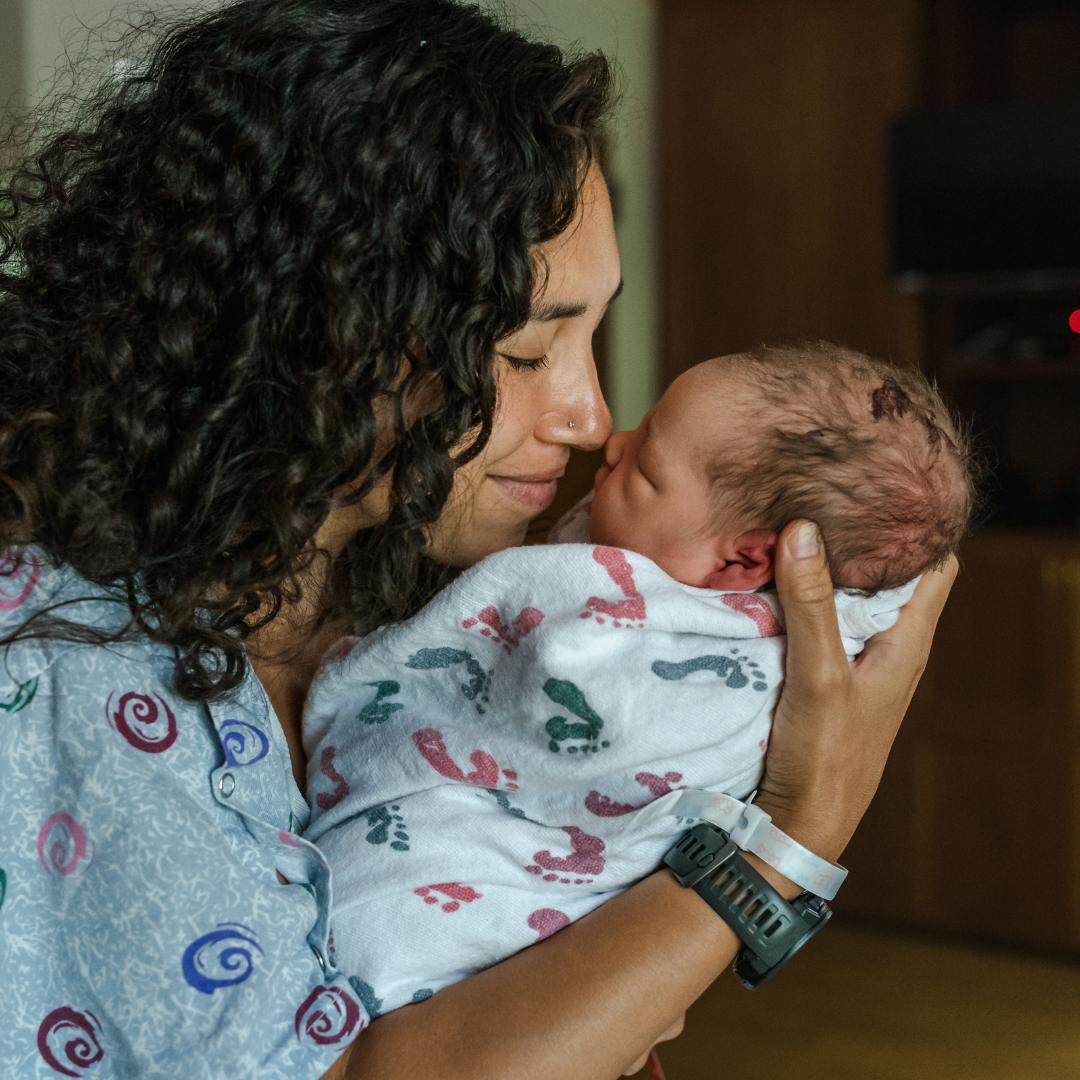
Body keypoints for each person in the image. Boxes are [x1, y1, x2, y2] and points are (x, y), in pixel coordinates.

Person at [0, 1, 956, 1077]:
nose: (592, 419)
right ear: (326, 331)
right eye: (524, 350)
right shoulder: (78, 669)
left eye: (591, 336)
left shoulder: (406, 593)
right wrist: (785, 846)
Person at [301, 344, 974, 1016]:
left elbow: (568, 698)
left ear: (744, 561)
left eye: (647, 469)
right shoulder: (664, 569)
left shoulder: (735, 670)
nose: (612, 442)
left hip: (462, 918)